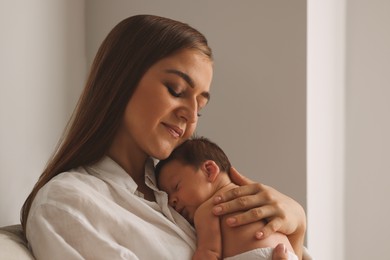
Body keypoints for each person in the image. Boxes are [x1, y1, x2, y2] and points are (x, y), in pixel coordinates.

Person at [20, 14, 308, 259]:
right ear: (123, 79)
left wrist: (297, 229)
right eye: (175, 90)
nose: (191, 116)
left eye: (201, 107)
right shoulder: (68, 203)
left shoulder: (184, 197)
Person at [156, 136, 298, 260]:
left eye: (176, 187)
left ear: (209, 170)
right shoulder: (259, 197)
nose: (171, 201)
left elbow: (208, 254)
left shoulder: (208, 209)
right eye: (167, 197)